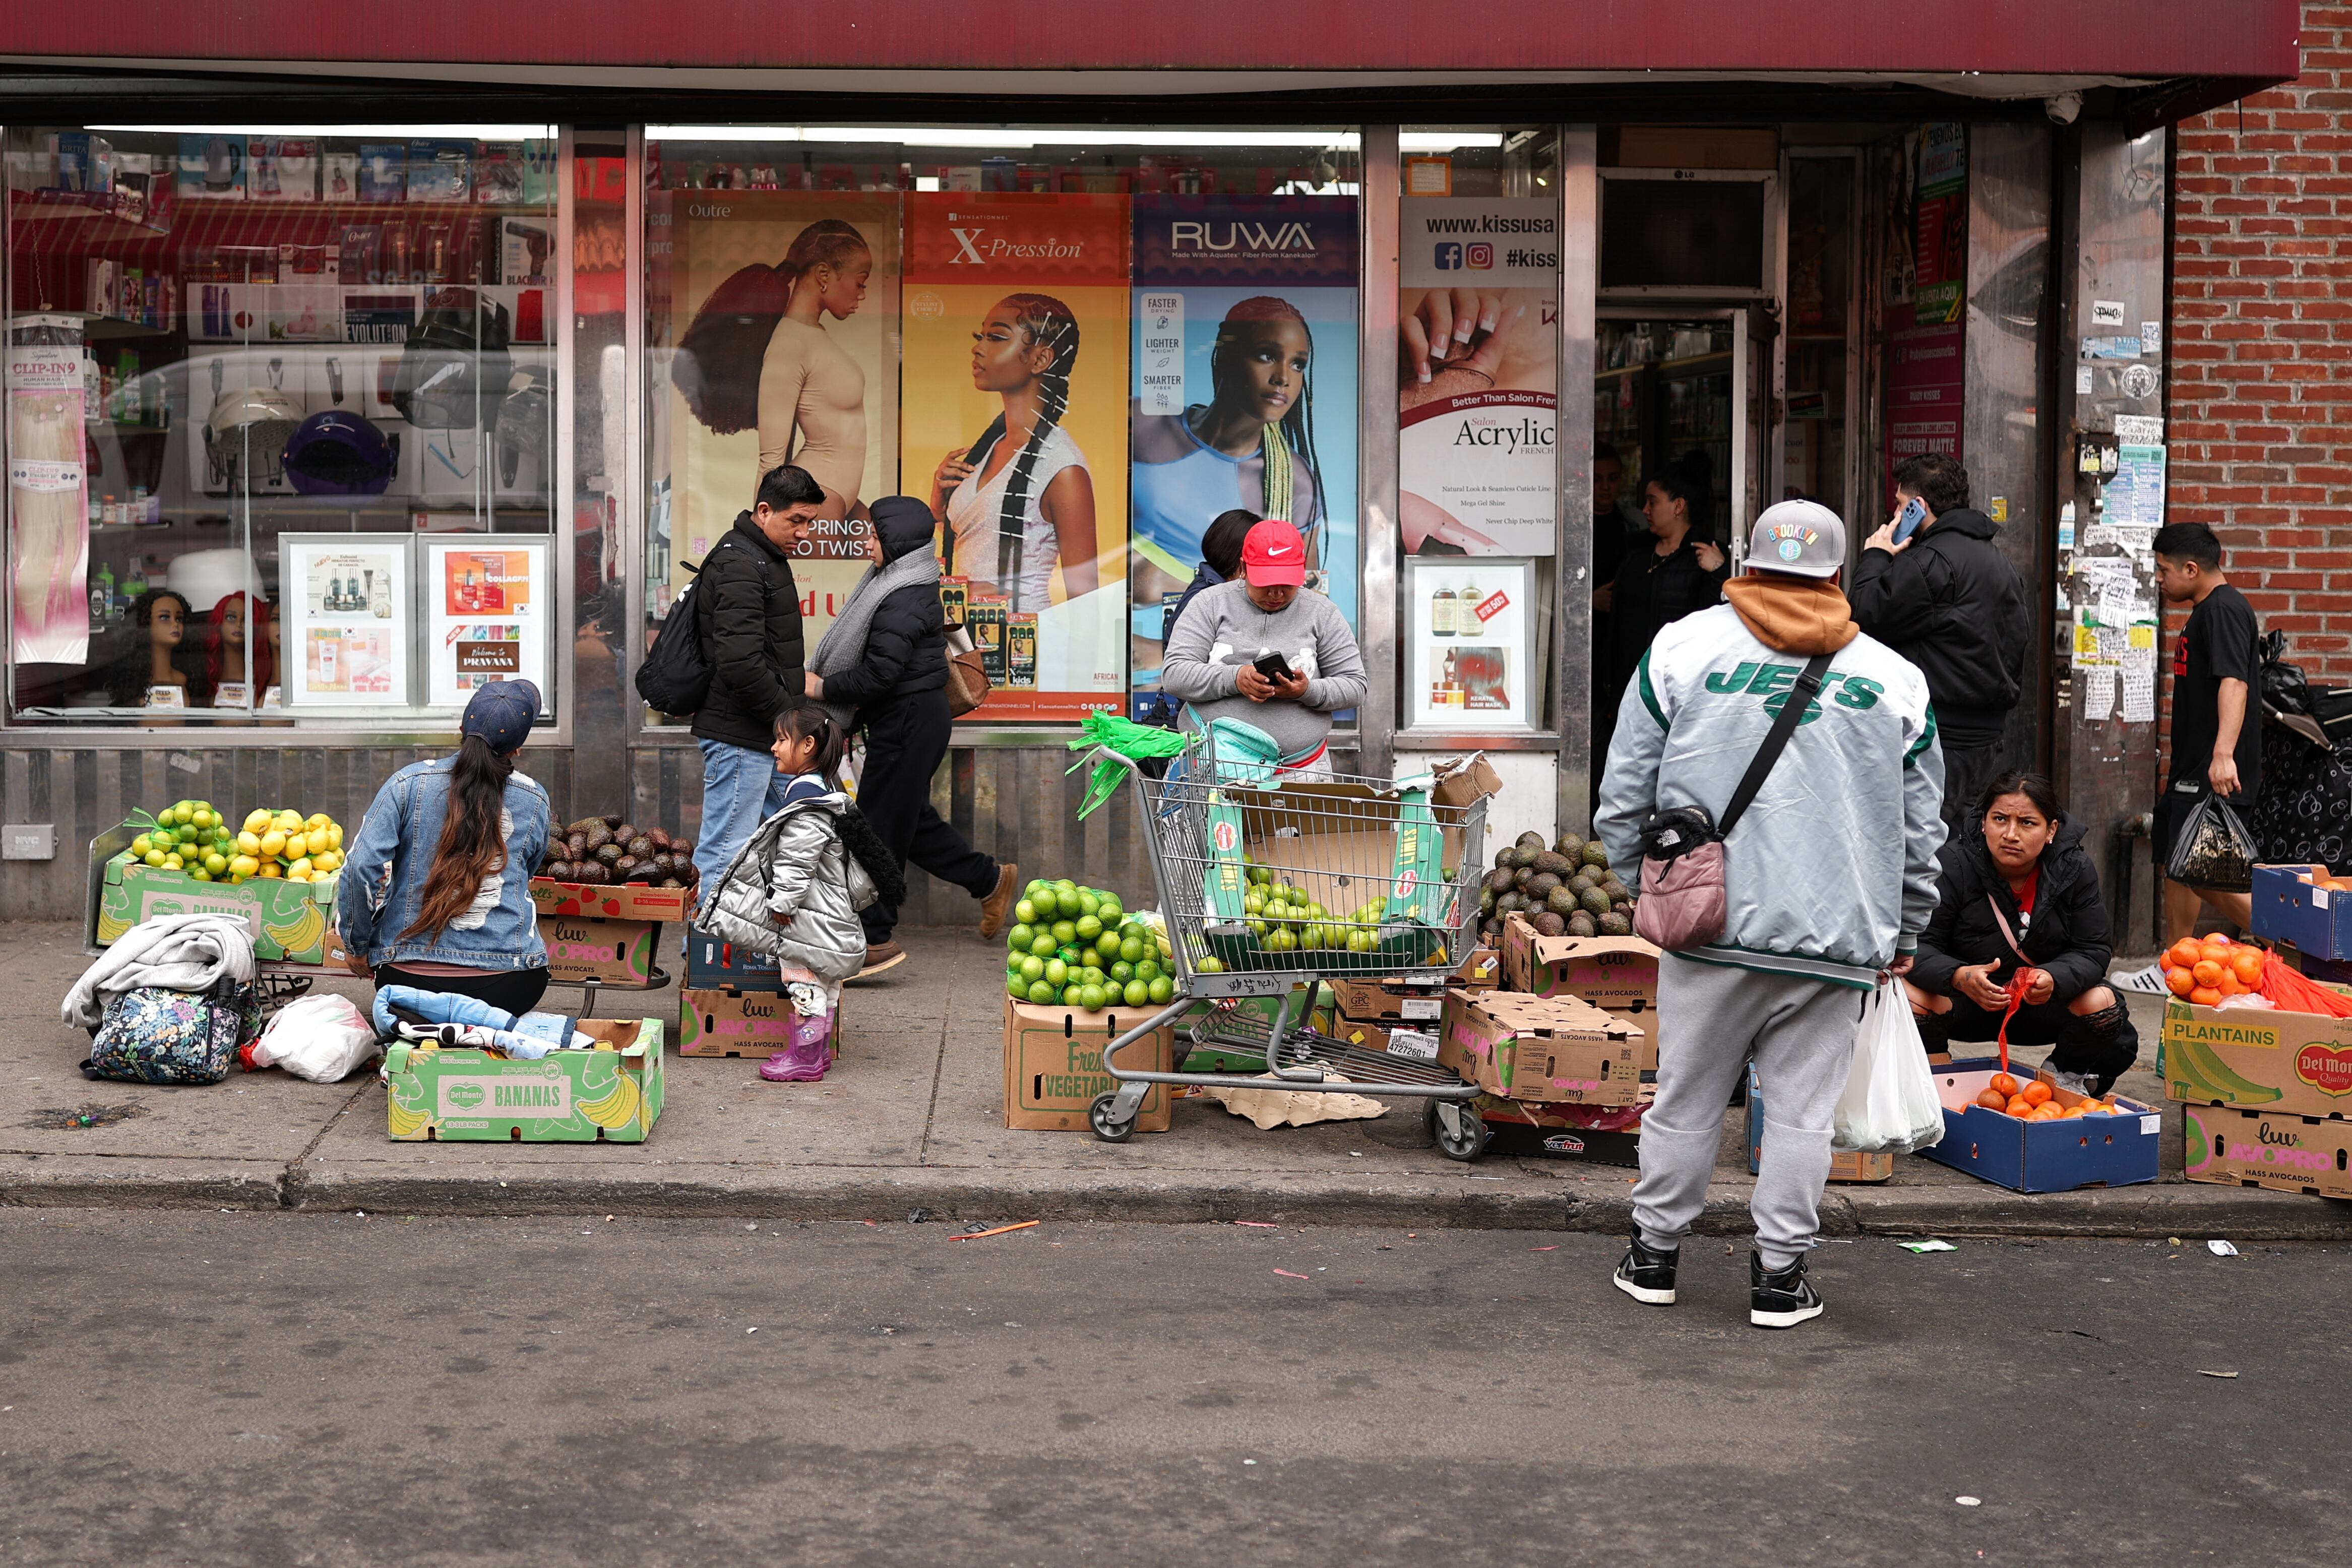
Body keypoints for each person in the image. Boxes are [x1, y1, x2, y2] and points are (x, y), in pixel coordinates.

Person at [1596, 499, 1944, 1331]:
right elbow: (1921, 827)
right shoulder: (1896, 681)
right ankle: (1780, 1278)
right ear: (1835, 574)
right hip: (1836, 936)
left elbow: (1625, 785)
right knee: (1799, 1115)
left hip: (1705, 925)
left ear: (1745, 564)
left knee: (1682, 1100)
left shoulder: (1681, 649)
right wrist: (1906, 927)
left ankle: (1652, 1258)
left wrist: (1635, 882)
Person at [804, 495, 1020, 974]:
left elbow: (881, 673)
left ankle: (874, 937)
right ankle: (989, 880)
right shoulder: (895, 582)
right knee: (907, 818)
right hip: (906, 718)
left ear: (898, 541)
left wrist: (822, 686)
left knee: (881, 830)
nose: (868, 542)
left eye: (876, 535)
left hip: (909, 720)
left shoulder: (903, 593)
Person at [697, 702, 906, 1081]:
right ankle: (816, 1054)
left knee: (804, 985)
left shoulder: (804, 806)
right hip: (826, 917)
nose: (774, 747)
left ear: (808, 745)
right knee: (824, 989)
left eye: (782, 739)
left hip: (806, 919)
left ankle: (805, 1059)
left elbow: (796, 862)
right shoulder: (825, 796)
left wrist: (781, 903)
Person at [1907, 770, 2139, 1095]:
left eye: (2027, 823)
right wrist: (1960, 976)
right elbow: (1917, 945)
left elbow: (2093, 949)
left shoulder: (2074, 869)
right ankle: (1935, 1087)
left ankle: (2061, 1082)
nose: (2011, 834)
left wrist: (2053, 978)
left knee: (2101, 1003)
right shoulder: (1953, 864)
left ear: (2051, 830)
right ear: (1984, 822)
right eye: (2000, 819)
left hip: (2039, 1004)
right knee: (1907, 995)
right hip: (1967, 1000)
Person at [335, 679, 552, 1013]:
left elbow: (360, 866)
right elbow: (528, 870)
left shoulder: (407, 783)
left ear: (462, 727)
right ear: (518, 748)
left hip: (408, 981)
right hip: (510, 984)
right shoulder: (534, 798)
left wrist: (357, 944)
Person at [1851, 453, 2030, 844]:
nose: (1894, 516)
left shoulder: (1930, 561)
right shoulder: (1999, 562)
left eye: (1900, 506)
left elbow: (1863, 614)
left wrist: (1876, 556)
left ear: (1919, 508)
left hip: (1941, 735)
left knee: (1925, 850)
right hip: (1986, 737)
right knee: (1961, 847)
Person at [1133, 298, 1327, 608]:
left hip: (1210, 652)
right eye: (1267, 355)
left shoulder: (1293, 483)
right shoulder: (1142, 425)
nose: (1283, 377)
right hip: (1108, 637)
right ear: (1226, 356)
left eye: (1297, 364)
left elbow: (1304, 608)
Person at [676, 219, 875, 520]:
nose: (862, 294)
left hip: (835, 498)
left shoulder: (811, 337)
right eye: (860, 282)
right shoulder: (789, 345)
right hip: (817, 497)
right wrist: (758, 534)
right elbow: (771, 460)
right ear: (823, 275)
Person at [691, 463, 823, 893]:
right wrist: (789, 720)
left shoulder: (763, 558)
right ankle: (706, 953)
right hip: (741, 736)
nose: (803, 532)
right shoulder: (741, 563)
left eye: (810, 523)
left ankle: (747, 951)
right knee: (725, 849)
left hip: (762, 733)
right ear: (764, 511)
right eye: (796, 520)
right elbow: (741, 663)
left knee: (786, 840)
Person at [1160, 518, 1368, 778]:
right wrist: (1235, 678)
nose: (1276, 594)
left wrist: (1307, 691)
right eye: (1266, 583)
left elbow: (1355, 686)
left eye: (1287, 584)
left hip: (1299, 772)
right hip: (1210, 768)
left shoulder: (1322, 613)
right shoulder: (1210, 604)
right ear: (1244, 568)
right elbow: (1175, 675)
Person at [933, 293, 1097, 614]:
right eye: (980, 336)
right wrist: (938, 507)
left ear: (1040, 359)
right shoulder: (984, 451)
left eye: (996, 337)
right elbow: (976, 544)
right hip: (960, 643)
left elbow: (1086, 603)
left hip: (1020, 648)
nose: (978, 347)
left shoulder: (1062, 468)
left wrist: (1077, 664)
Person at [2151, 522, 2261, 944]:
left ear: (2192, 569)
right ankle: (2175, 962)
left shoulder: (2223, 610)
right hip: (2192, 767)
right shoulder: (2209, 610)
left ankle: (2299, 946)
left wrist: (2222, 755)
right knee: (2178, 865)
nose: (2160, 579)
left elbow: (2235, 681)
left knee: (2204, 874)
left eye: (2164, 571)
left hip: (2213, 770)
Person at [1605, 462, 1728, 710]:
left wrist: (1718, 573)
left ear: (1678, 506)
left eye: (1653, 502)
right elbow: (1617, 626)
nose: (1645, 510)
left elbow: (1719, 624)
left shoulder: (1706, 557)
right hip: (1630, 687)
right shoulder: (1635, 555)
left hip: (1682, 688)